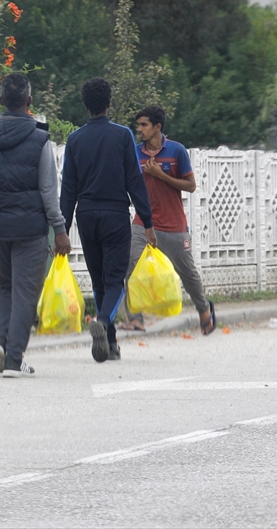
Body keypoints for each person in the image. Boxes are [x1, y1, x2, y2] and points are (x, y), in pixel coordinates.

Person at [0, 73, 71, 377]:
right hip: (30, 228)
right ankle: (13, 358)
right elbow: (48, 189)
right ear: (29, 102)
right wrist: (59, 229)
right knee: (26, 292)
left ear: (1, 102)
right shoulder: (39, 137)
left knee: (5, 287)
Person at [60, 78, 155, 363]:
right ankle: (102, 323)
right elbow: (134, 182)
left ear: (85, 105)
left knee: (99, 280)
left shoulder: (75, 139)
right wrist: (148, 222)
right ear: (109, 103)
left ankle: (110, 344)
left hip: (86, 216)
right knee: (115, 280)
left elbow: (68, 190)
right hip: (114, 214)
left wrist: (61, 231)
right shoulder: (122, 135)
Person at [120, 106, 215, 335]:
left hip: (173, 225)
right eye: (138, 125)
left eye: (144, 125)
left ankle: (203, 310)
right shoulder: (135, 152)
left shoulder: (177, 151)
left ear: (157, 127)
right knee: (130, 265)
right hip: (143, 223)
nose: (139, 129)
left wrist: (161, 175)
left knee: (188, 273)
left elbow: (191, 186)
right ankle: (136, 319)